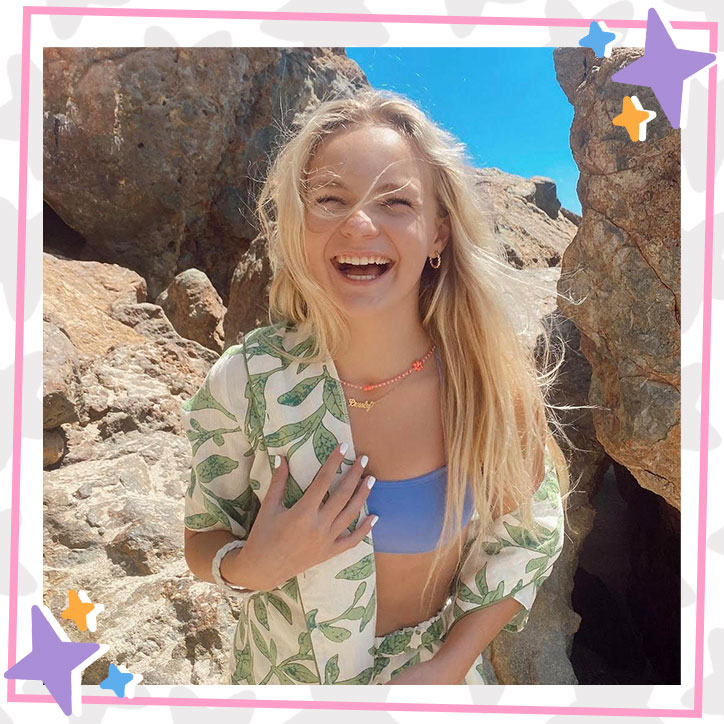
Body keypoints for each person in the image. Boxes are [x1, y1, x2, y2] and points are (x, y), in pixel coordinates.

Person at [181, 89, 569, 686]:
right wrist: (250, 567)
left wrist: (448, 665)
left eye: (395, 202)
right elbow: (203, 540)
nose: (359, 224)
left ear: (439, 232)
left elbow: (525, 540)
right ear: (298, 222)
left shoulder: (489, 383)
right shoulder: (246, 382)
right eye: (330, 199)